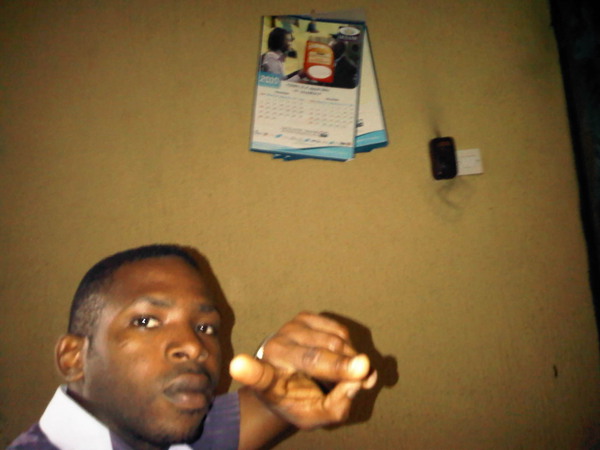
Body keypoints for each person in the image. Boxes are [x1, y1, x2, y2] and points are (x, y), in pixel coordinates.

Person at [8, 244, 377, 449]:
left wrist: (313, 373)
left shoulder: (167, 432)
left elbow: (273, 404)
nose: (194, 345)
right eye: (146, 321)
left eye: (205, 327)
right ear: (74, 358)